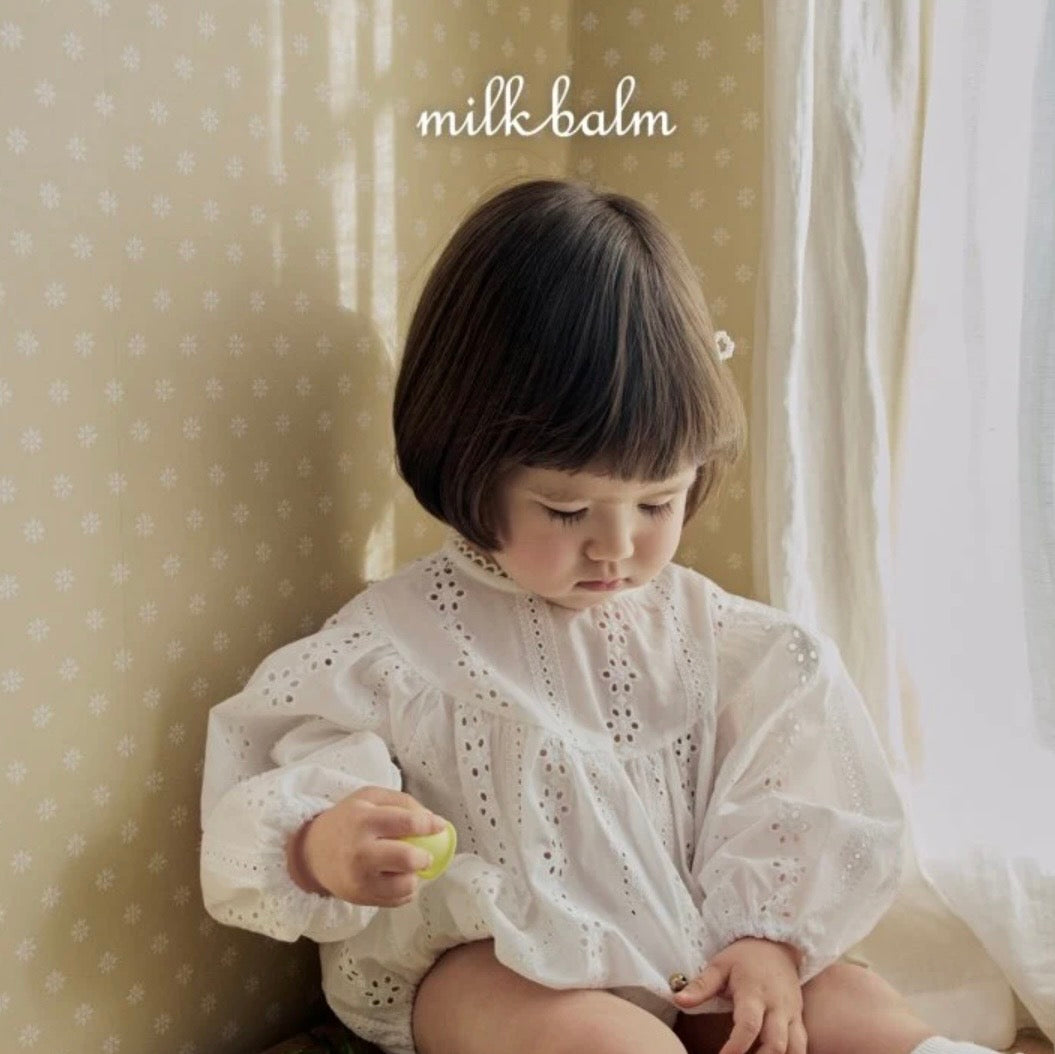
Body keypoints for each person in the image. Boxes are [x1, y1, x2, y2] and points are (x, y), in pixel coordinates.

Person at [200, 179, 1015, 1054]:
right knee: (601, 1041)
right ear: (466, 463)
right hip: (489, 967)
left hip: (693, 951)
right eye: (565, 511)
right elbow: (282, 783)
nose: (616, 547)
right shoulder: (393, 648)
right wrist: (322, 844)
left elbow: (788, 793)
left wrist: (766, 940)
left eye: (658, 503)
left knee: (848, 1007)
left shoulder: (723, 645)